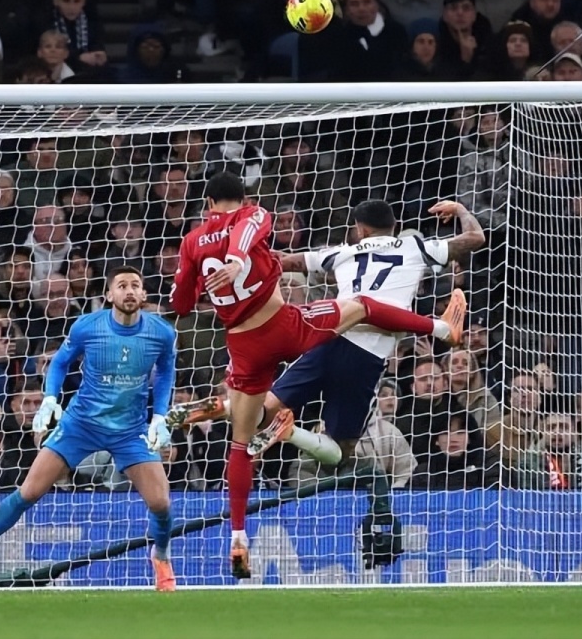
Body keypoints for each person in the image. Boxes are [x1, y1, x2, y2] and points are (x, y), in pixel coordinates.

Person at [169, 172, 467, 579]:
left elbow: (181, 304)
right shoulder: (255, 216)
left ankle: (237, 535)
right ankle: (441, 329)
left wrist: (206, 281)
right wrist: (240, 258)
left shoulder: (192, 242)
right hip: (295, 331)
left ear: (207, 203)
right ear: (245, 199)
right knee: (360, 310)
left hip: (246, 345)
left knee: (244, 436)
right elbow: (246, 231)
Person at [0, 266, 179, 592]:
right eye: (122, 285)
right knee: (29, 492)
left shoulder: (161, 332)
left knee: (161, 503)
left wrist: (159, 416)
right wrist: (50, 398)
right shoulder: (87, 326)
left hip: (129, 430)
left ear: (144, 293)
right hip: (81, 425)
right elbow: (61, 362)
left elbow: (165, 372)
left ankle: (161, 556)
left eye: (136, 285)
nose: (130, 291)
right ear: (109, 294)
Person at [242, 199, 484, 471]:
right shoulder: (415, 247)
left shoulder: (341, 252)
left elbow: (283, 261)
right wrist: (460, 210)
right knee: (341, 451)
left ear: (361, 229)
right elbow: (475, 237)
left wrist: (243, 248)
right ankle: (292, 433)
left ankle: (243, 421)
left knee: (267, 409)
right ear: (395, 225)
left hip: (329, 339)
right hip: (367, 355)